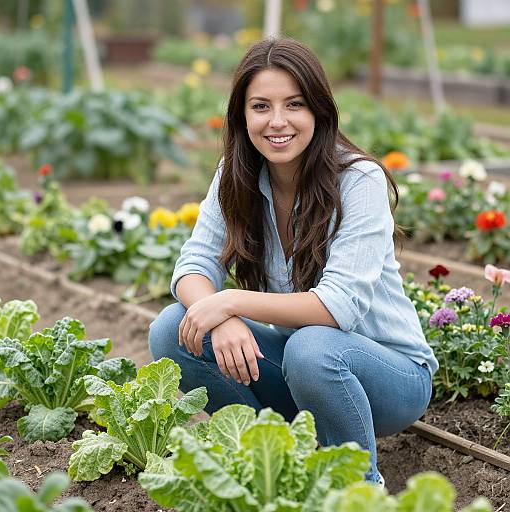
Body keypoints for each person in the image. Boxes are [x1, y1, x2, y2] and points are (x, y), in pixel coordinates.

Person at [148, 37, 438, 486]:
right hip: (300, 369)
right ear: (242, 116)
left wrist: (231, 302)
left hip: (389, 376)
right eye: (261, 106)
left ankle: (356, 490)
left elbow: (336, 307)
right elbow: (193, 266)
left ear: (318, 111)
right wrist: (220, 318)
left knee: (312, 347)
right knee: (172, 329)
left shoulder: (358, 180)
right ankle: (270, 465)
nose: (277, 121)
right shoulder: (235, 175)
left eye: (294, 105)